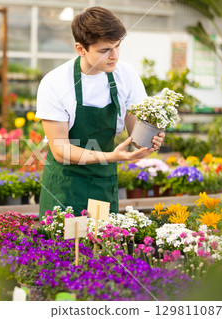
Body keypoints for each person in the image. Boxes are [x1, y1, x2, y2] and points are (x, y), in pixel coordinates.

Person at [35, 7, 163, 217]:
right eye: (104, 50)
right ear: (80, 48)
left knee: (102, 246)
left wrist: (149, 141)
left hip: (103, 183)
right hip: (65, 185)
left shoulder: (126, 76)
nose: (114, 56)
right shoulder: (55, 82)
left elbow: (136, 135)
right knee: (62, 247)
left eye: (117, 46)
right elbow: (60, 150)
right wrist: (111, 156)